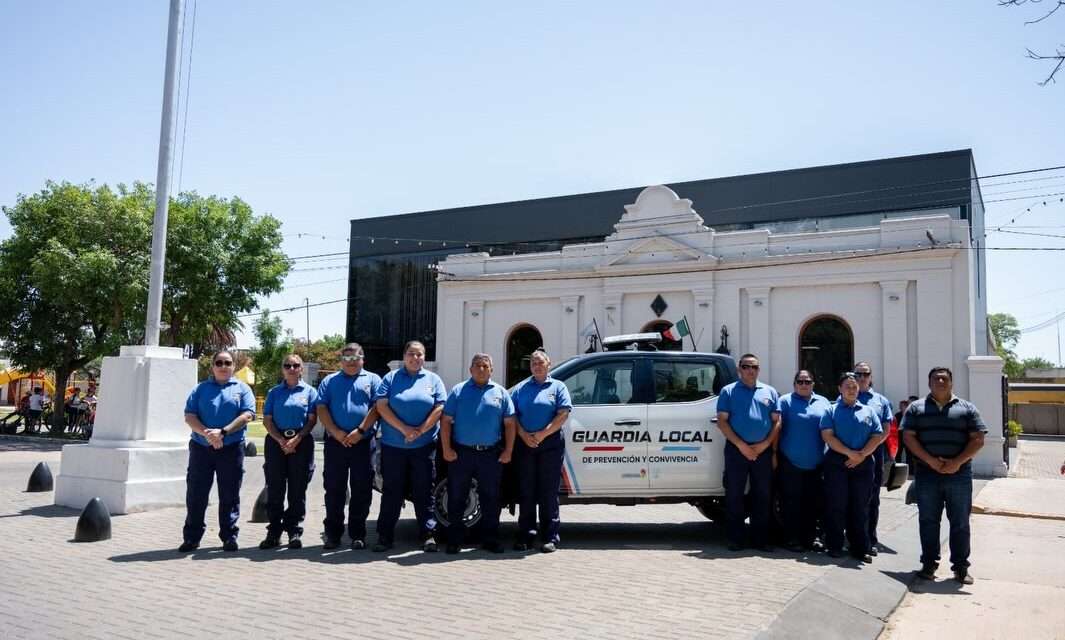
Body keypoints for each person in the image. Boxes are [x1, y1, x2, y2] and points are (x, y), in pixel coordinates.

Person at [900, 367, 987, 584]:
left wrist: (956, 463)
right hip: (927, 474)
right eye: (936, 378)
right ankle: (928, 565)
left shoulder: (967, 408)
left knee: (960, 522)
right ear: (929, 383)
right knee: (928, 520)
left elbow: (978, 438)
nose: (940, 381)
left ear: (951, 383)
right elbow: (909, 437)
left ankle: (960, 568)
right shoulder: (916, 408)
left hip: (959, 475)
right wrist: (930, 460)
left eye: (944, 378)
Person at [373, 340, 447, 553]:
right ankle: (384, 537)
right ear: (404, 356)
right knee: (392, 492)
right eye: (412, 354)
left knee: (424, 492)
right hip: (393, 447)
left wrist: (420, 431)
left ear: (424, 357)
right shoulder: (391, 378)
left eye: (420, 354)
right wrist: (405, 430)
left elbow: (439, 407)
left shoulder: (433, 380)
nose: (416, 358)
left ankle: (428, 535)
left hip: (424, 447)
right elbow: (381, 406)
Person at [180, 350, 255, 552]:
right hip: (201, 448)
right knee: (196, 494)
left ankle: (229, 536)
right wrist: (208, 434)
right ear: (212, 366)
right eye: (219, 362)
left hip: (231, 448)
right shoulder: (200, 389)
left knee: (229, 494)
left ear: (233, 366)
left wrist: (223, 432)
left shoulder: (243, 389)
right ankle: (192, 538)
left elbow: (248, 415)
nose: (223, 366)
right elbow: (189, 416)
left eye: (227, 363)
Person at [440, 353, 516, 554]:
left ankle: (490, 539)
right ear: (470, 369)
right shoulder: (458, 391)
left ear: (491, 369)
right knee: (456, 497)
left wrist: (508, 450)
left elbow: (510, 424)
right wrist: (446, 449)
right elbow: (446, 421)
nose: (481, 369)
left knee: (491, 498)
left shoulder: (501, 393)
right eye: (477, 365)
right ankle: (454, 539)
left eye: (485, 366)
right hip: (461, 453)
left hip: (490, 455)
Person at [316, 343, 381, 550]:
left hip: (363, 443)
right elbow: (321, 407)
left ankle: (357, 534)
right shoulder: (329, 381)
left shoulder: (373, 379)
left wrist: (360, 431)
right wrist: (336, 432)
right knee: (334, 489)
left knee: (362, 490)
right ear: (341, 360)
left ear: (363, 359)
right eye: (347, 358)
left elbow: (377, 407)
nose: (351, 362)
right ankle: (333, 535)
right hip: (335, 443)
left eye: (356, 358)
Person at [716, 353, 781, 552]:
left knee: (762, 495)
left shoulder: (770, 392)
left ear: (759, 370)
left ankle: (760, 540)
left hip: (762, 450)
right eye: (746, 366)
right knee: (734, 495)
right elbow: (722, 421)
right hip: (736, 450)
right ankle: (735, 539)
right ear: (739, 369)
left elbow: (777, 421)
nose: (750, 370)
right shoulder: (728, 391)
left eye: (754, 367)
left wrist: (765, 445)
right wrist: (741, 445)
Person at [511, 349, 572, 553]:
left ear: (548, 364)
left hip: (550, 445)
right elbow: (513, 417)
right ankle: (526, 535)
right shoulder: (521, 388)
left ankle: (550, 537)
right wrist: (524, 435)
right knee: (526, 491)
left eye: (540, 362)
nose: (536, 365)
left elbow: (563, 413)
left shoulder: (558, 387)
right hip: (525, 444)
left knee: (548, 491)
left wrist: (542, 434)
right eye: (533, 363)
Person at [819, 372, 884, 562]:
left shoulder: (868, 411)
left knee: (861, 507)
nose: (851, 389)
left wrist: (861, 455)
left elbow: (877, 435)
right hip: (837, 463)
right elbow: (828, 436)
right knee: (837, 505)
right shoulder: (831, 411)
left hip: (863, 464)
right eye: (847, 386)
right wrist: (849, 453)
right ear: (840, 389)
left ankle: (860, 548)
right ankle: (835, 545)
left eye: (854, 386)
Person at [259, 354, 318, 550]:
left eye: (295, 365)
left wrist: (296, 439)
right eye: (287, 365)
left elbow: (311, 420)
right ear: (282, 369)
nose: (291, 368)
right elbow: (267, 419)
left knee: (297, 489)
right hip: (276, 442)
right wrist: (280, 440)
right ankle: (274, 532)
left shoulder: (310, 392)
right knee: (275, 488)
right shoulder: (274, 392)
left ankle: (294, 531)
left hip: (301, 442)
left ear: (301, 369)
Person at [776, 370, 829, 552]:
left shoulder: (823, 402)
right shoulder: (784, 401)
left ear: (813, 384)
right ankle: (791, 539)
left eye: (807, 381)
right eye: (800, 381)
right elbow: (777, 428)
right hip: (790, 462)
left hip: (816, 464)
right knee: (791, 504)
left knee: (813, 504)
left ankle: (812, 538)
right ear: (794, 384)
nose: (804, 384)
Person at [853, 361, 894, 555]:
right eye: (858, 374)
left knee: (872, 498)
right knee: (849, 497)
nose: (861, 378)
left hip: (873, 454)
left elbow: (886, 430)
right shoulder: (845, 395)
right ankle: (851, 537)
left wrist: (867, 450)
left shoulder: (881, 401)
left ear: (871, 377)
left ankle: (870, 537)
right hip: (848, 454)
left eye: (865, 374)